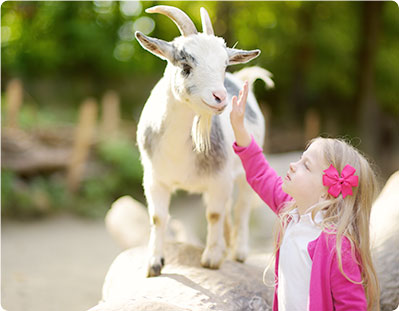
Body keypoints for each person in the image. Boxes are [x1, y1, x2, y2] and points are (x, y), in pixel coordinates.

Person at [229, 81, 380, 311]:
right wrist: (239, 128)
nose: (292, 165)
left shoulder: (338, 248)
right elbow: (260, 173)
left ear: (326, 191)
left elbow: (352, 306)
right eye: (300, 159)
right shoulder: (291, 211)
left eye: (305, 166)